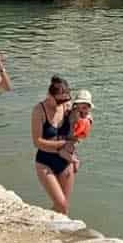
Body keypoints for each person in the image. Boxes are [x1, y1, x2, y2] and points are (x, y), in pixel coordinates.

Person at [32, 75, 76, 214]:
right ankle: (44, 221)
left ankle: (56, 231)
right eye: (59, 99)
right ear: (50, 95)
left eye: (66, 98)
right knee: (61, 204)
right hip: (45, 162)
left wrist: (74, 155)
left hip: (65, 161)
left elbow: (77, 134)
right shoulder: (39, 111)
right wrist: (62, 145)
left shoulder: (67, 107)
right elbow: (37, 142)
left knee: (63, 208)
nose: (62, 102)